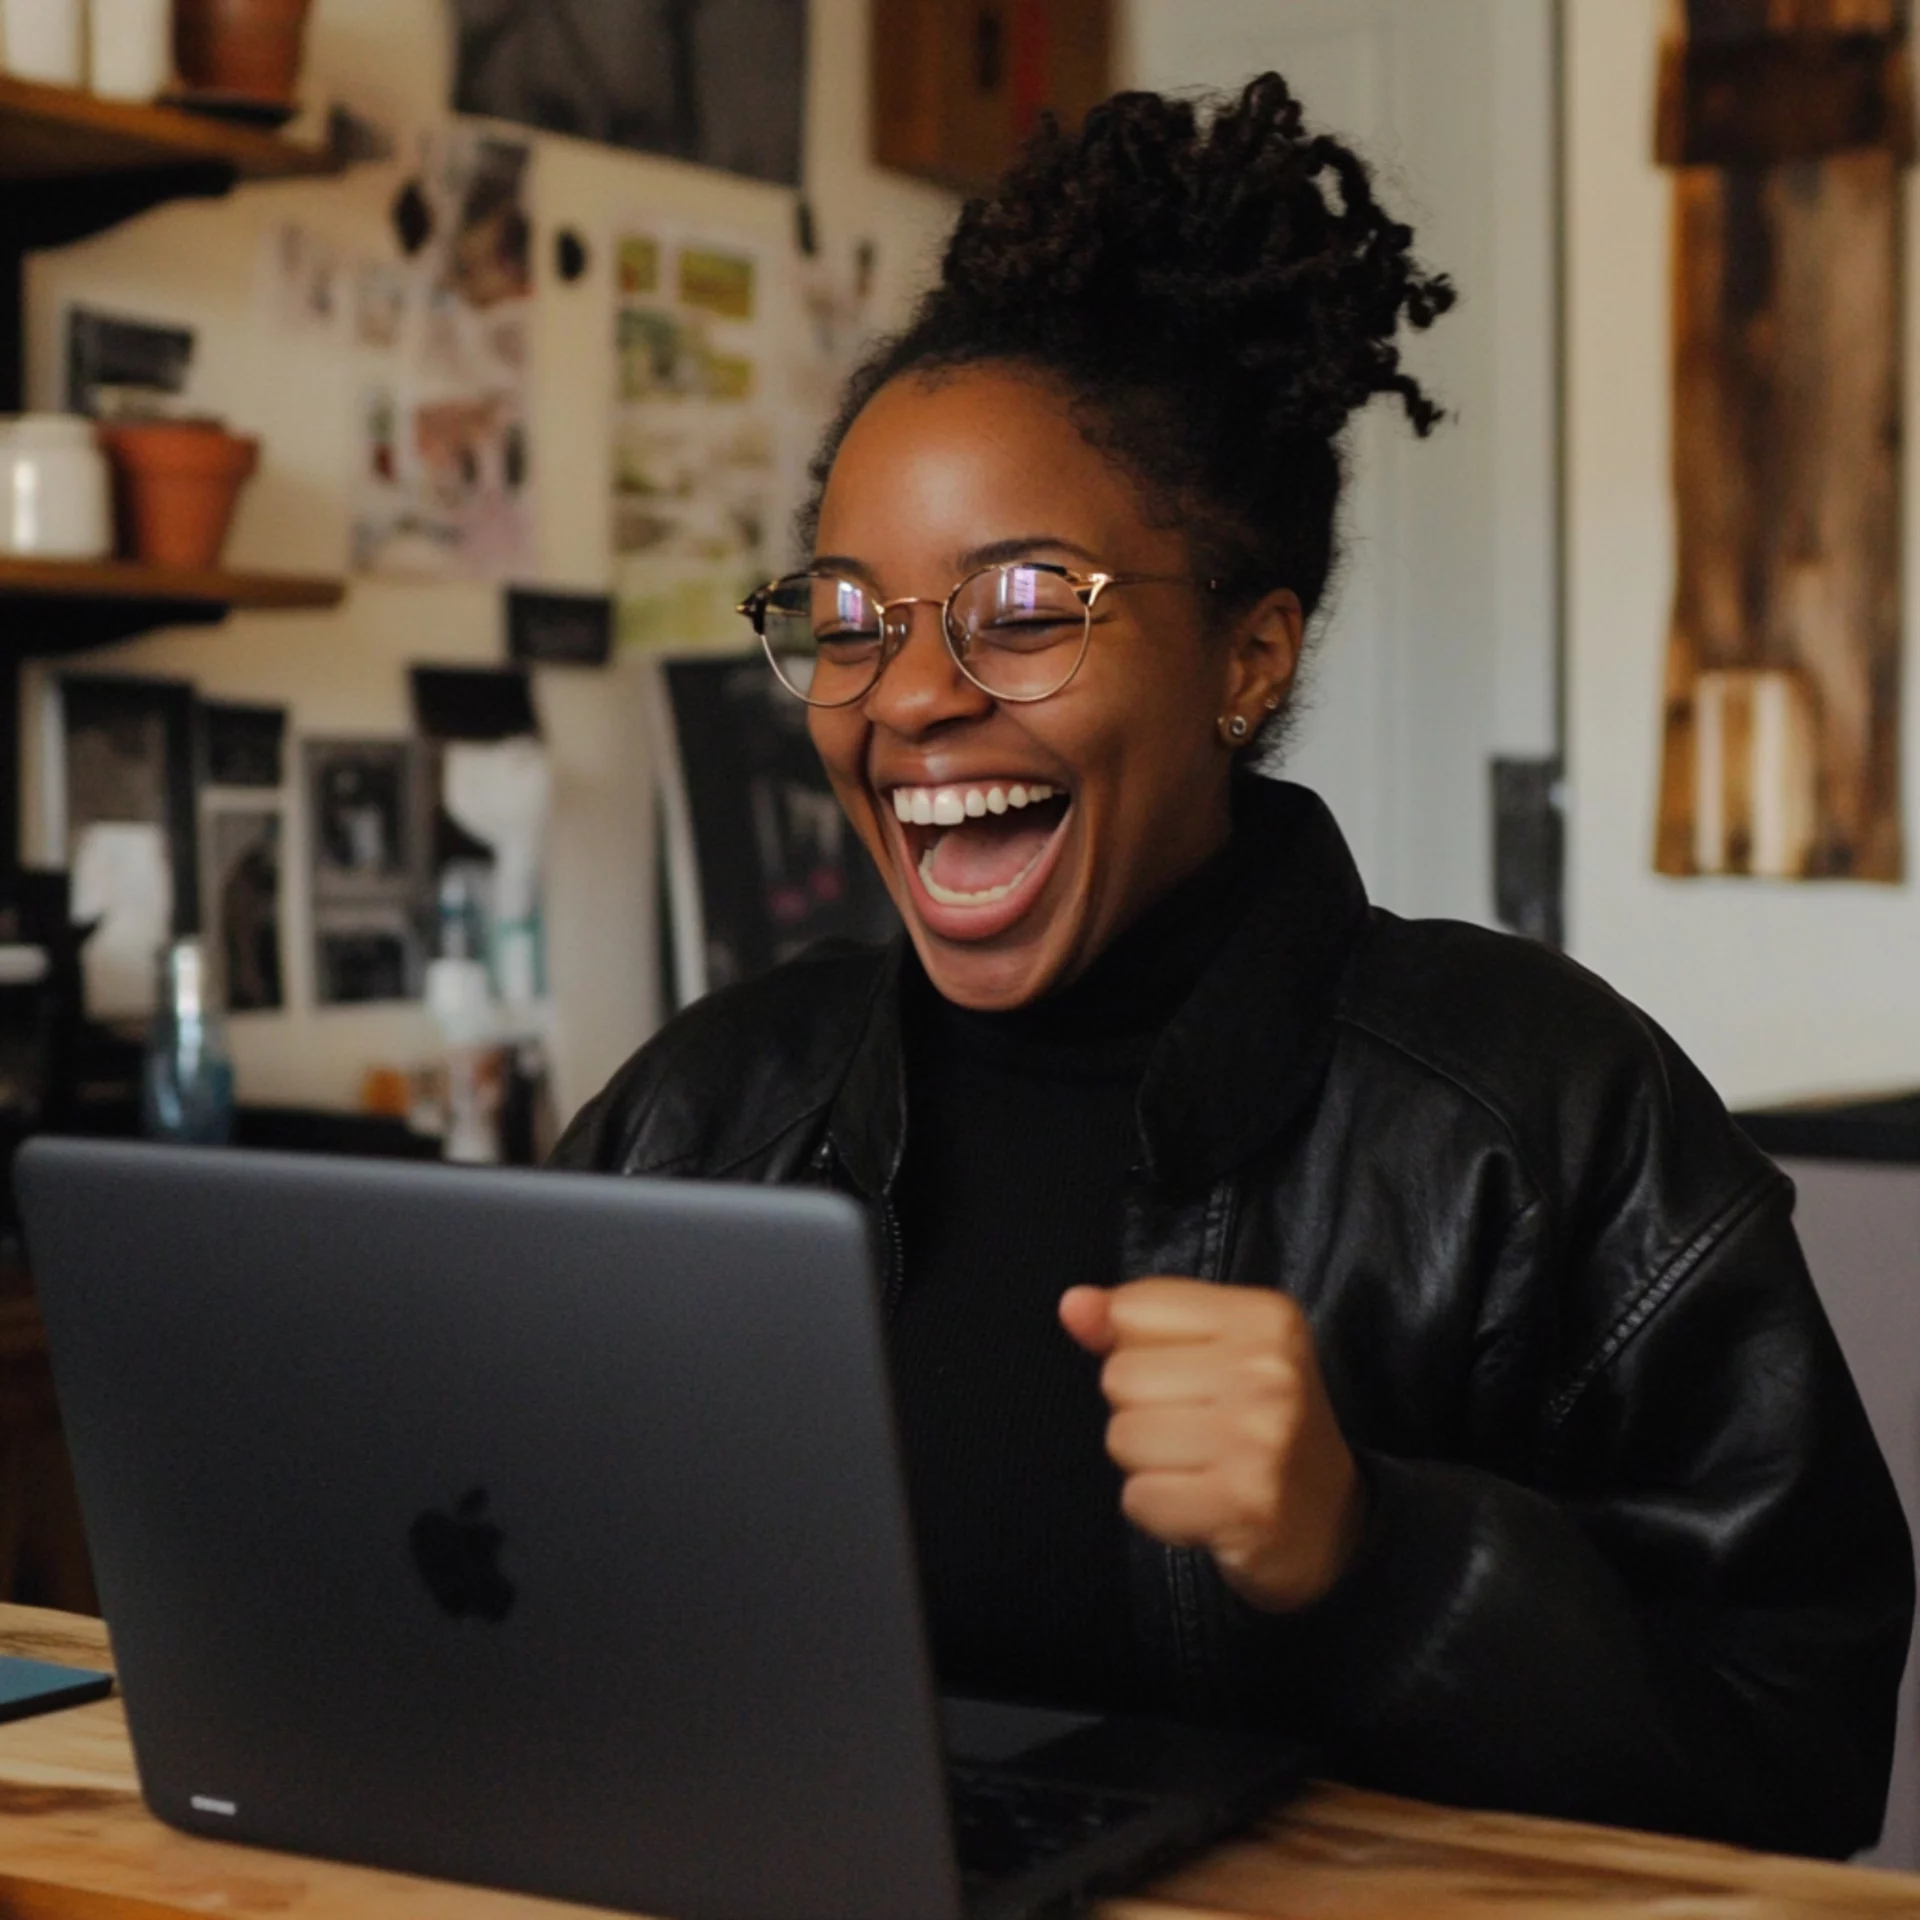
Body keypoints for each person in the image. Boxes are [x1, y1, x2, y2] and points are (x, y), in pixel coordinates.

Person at [553, 75, 1914, 1855]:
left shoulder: (1545, 1119)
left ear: (1248, 657)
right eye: (851, 617)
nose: (905, 694)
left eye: (1026, 606)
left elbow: (1796, 1756)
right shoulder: (703, 1111)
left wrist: (1378, 1552)